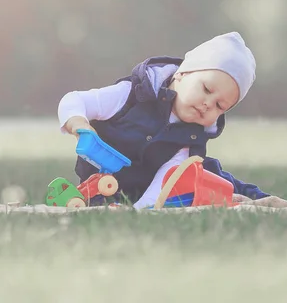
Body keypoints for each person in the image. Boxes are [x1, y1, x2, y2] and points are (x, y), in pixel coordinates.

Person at [57, 32, 271, 209]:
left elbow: (165, 184)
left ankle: (264, 200)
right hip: (103, 182)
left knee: (214, 176)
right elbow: (75, 100)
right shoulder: (131, 95)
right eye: (206, 89)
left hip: (153, 186)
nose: (208, 104)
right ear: (182, 73)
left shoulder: (191, 139)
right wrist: (79, 125)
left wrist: (139, 211)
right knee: (208, 178)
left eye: (219, 106)